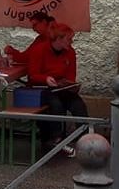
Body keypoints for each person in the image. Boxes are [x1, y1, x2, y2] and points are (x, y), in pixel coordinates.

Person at [26, 22, 88, 156]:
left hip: (61, 88)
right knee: (55, 104)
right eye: (69, 39)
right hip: (41, 88)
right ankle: (56, 139)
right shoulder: (39, 50)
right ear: (59, 39)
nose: (71, 42)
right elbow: (32, 75)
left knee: (78, 105)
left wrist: (71, 85)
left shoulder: (70, 52)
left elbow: (71, 75)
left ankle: (86, 139)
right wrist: (46, 79)